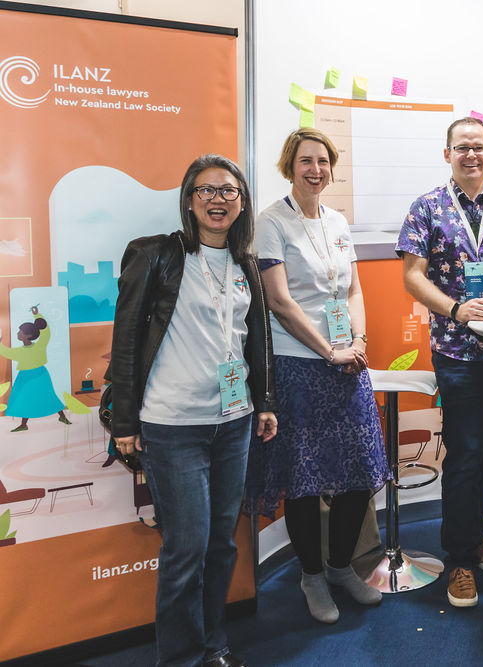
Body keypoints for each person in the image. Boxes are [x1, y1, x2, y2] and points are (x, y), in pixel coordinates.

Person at [109, 154, 277, 667]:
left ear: (242, 202)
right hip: (173, 425)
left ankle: (213, 645)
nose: (217, 199)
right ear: (188, 200)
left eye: (228, 191)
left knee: (221, 545)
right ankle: (180, 658)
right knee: (186, 549)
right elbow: (126, 340)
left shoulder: (246, 264)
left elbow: (256, 340)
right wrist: (124, 422)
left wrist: (264, 403)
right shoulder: (157, 255)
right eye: (205, 190)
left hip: (233, 423)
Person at [244, 128, 388, 624]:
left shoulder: (338, 221)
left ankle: (341, 567)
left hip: (347, 363)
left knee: (357, 474)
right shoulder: (270, 221)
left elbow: (353, 291)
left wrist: (358, 343)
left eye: (323, 161)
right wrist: (329, 351)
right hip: (299, 365)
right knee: (303, 480)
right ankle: (311, 576)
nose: (316, 170)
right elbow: (279, 302)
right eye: (306, 161)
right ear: (290, 165)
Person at [396, 117, 483, 608]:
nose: (471, 155)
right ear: (448, 153)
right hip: (457, 353)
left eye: (479, 147)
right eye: (462, 147)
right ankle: (458, 560)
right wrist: (456, 309)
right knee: (464, 455)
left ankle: (475, 540)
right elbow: (413, 276)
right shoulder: (427, 207)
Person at [0, 307, 71, 431]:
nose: (18, 333)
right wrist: (37, 316)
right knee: (26, 398)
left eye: (20, 332)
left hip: (37, 376)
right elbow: (6, 352)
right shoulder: (31, 348)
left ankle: (62, 417)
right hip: (30, 376)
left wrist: (37, 316)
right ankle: (24, 424)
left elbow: (45, 332)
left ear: (28, 335)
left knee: (48, 396)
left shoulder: (36, 347)